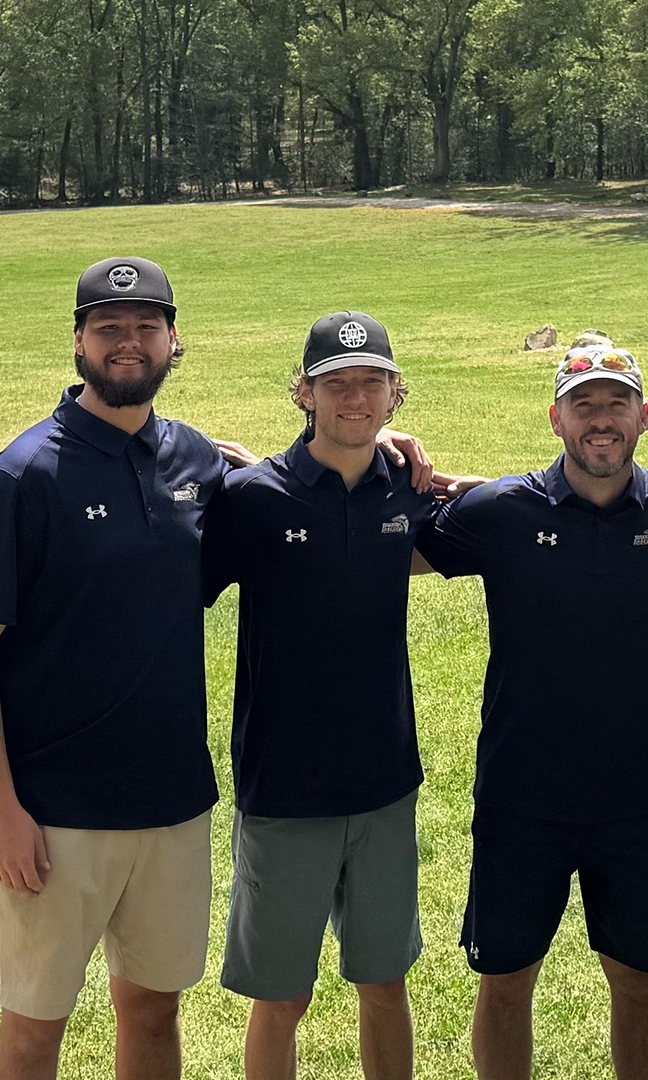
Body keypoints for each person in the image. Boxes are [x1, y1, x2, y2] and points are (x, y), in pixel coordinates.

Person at [415, 346, 648, 1080]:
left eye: (616, 403)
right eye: (583, 404)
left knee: (639, 981)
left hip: (634, 797)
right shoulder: (501, 510)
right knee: (505, 983)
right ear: (555, 416)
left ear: (642, 417)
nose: (600, 420)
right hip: (520, 796)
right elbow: (387, 545)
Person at [0, 257, 225, 1080]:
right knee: (35, 1026)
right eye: (108, 328)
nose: (128, 344)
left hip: (173, 805)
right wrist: (1, 809)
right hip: (54, 815)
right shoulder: (22, 477)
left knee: (155, 1009)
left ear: (175, 341)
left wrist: (378, 441)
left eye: (145, 328)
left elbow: (299, 496)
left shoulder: (198, 463)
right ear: (78, 342)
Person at [200, 312, 441, 1080]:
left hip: (382, 785)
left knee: (384, 983)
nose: (355, 398)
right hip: (284, 789)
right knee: (282, 997)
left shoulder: (407, 493)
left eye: (372, 381)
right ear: (304, 392)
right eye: (337, 383)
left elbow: (496, 515)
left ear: (396, 395)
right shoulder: (252, 497)